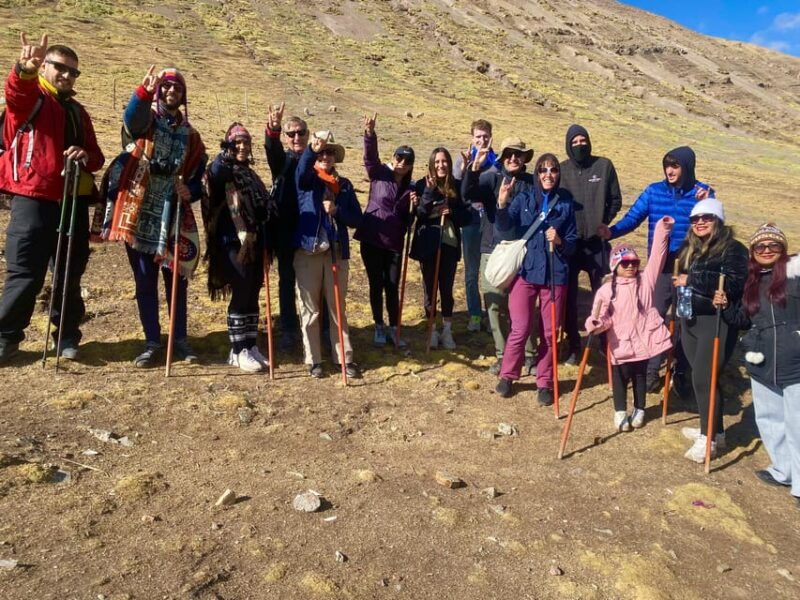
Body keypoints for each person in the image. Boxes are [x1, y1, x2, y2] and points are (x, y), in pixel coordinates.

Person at [0, 33, 104, 363]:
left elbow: (98, 156)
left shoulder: (78, 111)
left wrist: (84, 153)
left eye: (73, 72)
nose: (67, 75)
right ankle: (6, 338)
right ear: (45, 66)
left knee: (68, 273)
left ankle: (68, 336)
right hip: (32, 198)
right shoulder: (31, 100)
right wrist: (23, 69)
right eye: (60, 67)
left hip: (71, 200)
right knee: (24, 273)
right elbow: (16, 93)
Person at [102, 65, 207, 367]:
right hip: (139, 206)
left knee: (177, 278)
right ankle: (151, 341)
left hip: (173, 209)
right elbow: (131, 120)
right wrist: (143, 92)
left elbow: (198, 174)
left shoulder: (191, 135)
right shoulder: (146, 120)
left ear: (183, 95)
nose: (172, 92)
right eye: (167, 87)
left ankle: (181, 340)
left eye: (177, 89)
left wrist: (190, 190)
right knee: (145, 280)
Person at [599, 146, 713, 393]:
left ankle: (682, 374)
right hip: (660, 270)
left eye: (676, 166)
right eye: (667, 165)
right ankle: (650, 373)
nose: (670, 170)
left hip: (688, 271)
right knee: (654, 316)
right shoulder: (654, 191)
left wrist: (709, 202)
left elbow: (715, 225)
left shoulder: (701, 193)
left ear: (687, 167)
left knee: (685, 320)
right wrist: (612, 231)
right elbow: (633, 218)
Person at [494, 153, 578, 405]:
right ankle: (508, 376)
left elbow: (573, 242)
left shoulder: (565, 204)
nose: (548, 174)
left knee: (550, 334)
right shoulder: (525, 198)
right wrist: (501, 203)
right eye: (543, 170)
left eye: (553, 170)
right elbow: (505, 229)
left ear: (558, 174)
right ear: (537, 173)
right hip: (526, 273)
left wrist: (560, 241)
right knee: (519, 328)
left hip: (555, 275)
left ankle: (545, 382)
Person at [672, 198, 748, 463]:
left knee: (704, 379)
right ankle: (717, 430)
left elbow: (734, 283)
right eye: (695, 219)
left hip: (716, 321)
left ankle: (708, 440)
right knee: (703, 378)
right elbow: (679, 277)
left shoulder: (733, 249)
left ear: (718, 220)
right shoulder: (690, 248)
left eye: (707, 218)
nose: (700, 222)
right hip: (690, 319)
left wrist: (691, 279)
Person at [586, 217, 674, 431]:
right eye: (625, 263)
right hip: (620, 344)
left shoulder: (646, 281)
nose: (631, 267)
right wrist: (595, 324)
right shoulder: (606, 290)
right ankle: (620, 412)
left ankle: (640, 409)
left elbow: (657, 256)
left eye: (634, 263)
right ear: (615, 265)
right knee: (619, 378)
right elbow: (601, 318)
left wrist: (663, 229)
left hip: (643, 342)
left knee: (641, 377)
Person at [201, 123, 276, 372]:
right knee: (242, 288)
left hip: (254, 242)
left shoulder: (249, 174)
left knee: (253, 290)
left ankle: (251, 344)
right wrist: (225, 154)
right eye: (237, 143)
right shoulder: (223, 169)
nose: (243, 147)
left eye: (246, 143)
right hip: (232, 241)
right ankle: (237, 350)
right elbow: (215, 174)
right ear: (229, 146)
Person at [735, 223, 800, 510]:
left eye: (773, 245)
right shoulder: (751, 282)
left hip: (794, 358)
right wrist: (724, 306)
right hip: (761, 359)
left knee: (797, 424)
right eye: (760, 246)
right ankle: (782, 470)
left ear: (783, 249)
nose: (766, 250)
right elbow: (741, 320)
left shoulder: (794, 274)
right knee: (769, 418)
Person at [463, 136, 537, 375]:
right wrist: (474, 168)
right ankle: (502, 354)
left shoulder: (531, 182)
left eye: (518, 154)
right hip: (492, 249)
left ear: (525, 158)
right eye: (509, 154)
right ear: (503, 157)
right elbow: (468, 193)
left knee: (523, 306)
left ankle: (529, 355)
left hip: (523, 251)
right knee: (494, 305)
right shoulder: (491, 177)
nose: (513, 158)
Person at [294, 130, 363, 378]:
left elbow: (356, 218)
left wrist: (336, 211)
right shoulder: (307, 179)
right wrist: (311, 148)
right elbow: (301, 173)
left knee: (337, 307)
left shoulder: (343, 185)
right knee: (310, 309)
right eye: (321, 152)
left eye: (329, 153)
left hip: (336, 251)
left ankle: (344, 358)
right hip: (308, 250)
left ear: (335, 158)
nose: (325, 156)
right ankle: (313, 360)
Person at [560, 124, 622, 365]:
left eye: (582, 140)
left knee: (605, 294)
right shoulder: (562, 171)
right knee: (570, 297)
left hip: (597, 245)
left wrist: (604, 221)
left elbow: (615, 198)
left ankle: (606, 343)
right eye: (574, 142)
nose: (579, 145)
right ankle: (574, 345)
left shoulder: (603, 166)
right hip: (571, 245)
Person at [353, 113, 415, 347]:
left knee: (392, 286)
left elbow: (408, 222)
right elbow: (370, 158)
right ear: (393, 158)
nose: (402, 162)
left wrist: (413, 208)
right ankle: (379, 326)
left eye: (407, 160)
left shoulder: (411, 190)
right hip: (372, 238)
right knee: (375, 284)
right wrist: (369, 134)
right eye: (399, 157)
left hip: (394, 244)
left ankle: (394, 327)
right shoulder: (379, 174)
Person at [410, 148, 471, 349]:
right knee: (430, 289)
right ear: (431, 164)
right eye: (436, 162)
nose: (441, 165)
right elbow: (420, 214)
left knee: (446, 288)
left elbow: (467, 217)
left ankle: (447, 330)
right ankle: (432, 330)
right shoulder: (422, 185)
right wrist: (427, 192)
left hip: (449, 244)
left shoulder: (457, 186)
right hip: (428, 244)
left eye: (444, 161)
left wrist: (451, 211)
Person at [264, 103, 305, 353]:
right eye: (291, 134)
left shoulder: (315, 159)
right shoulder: (283, 161)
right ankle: (289, 328)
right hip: (285, 231)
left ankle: (319, 327)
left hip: (311, 230)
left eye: (300, 132)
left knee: (313, 282)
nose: (296, 137)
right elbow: (272, 151)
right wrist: (274, 129)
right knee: (287, 280)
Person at [453, 119, 497, 333]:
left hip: (491, 224)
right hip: (470, 222)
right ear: (472, 138)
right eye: (478, 136)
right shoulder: (462, 160)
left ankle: (492, 316)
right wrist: (465, 167)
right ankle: (475, 315)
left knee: (491, 273)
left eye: (485, 135)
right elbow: (455, 188)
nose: (482, 139)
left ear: (491, 136)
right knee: (471, 272)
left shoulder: (497, 161)